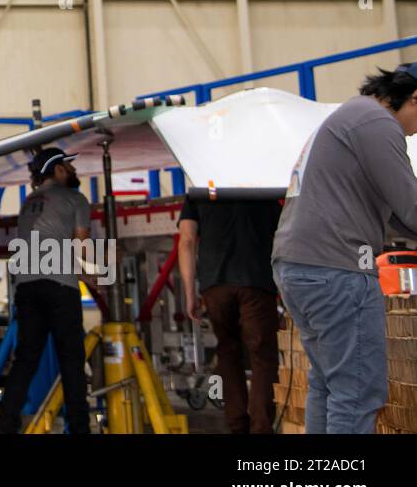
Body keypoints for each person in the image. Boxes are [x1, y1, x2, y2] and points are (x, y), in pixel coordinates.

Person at [272, 63, 417, 434]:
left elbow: (400, 216)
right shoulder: (377, 123)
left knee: (329, 384)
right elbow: (412, 207)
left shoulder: (350, 116)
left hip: (299, 267)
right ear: (413, 99)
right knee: (358, 389)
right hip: (336, 268)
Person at [0, 147, 93, 435]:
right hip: (59, 287)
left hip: (26, 288)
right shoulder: (76, 198)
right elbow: (81, 248)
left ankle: (6, 424)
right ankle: (79, 428)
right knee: (72, 361)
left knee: (26, 359)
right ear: (59, 170)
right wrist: (95, 279)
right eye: (68, 166)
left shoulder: (28, 202)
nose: (74, 171)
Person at [179, 193, 280, 433]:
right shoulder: (263, 188)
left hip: (216, 285)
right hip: (256, 282)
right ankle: (261, 428)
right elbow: (283, 239)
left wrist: (189, 292)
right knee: (262, 358)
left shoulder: (199, 191)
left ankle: (237, 427)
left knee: (228, 353)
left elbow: (187, 241)